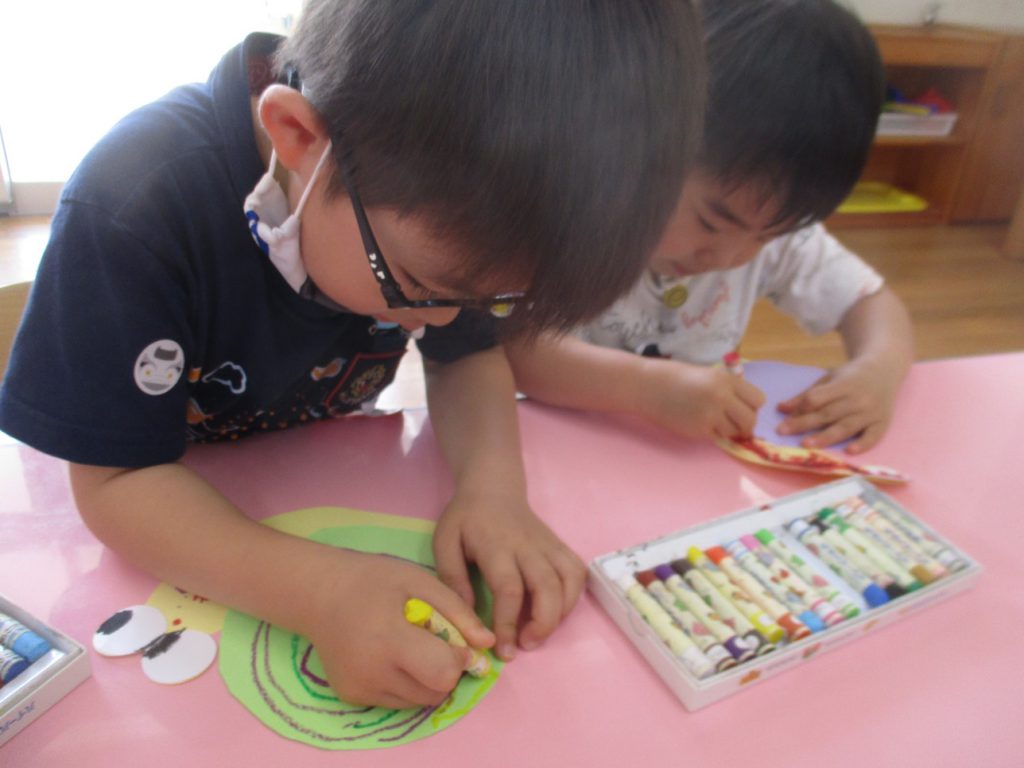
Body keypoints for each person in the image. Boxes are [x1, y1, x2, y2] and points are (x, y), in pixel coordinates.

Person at [0, 0, 705, 708]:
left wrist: (493, 491)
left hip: (314, 478)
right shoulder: (133, 204)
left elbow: (465, 358)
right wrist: (320, 591)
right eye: (419, 286)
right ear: (299, 135)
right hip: (164, 522)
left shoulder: (438, 205)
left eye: (488, 300)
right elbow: (117, 480)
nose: (443, 319)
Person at [508, 0, 913, 456]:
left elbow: (872, 304)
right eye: (711, 222)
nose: (728, 257)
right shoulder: (577, 214)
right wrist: (643, 388)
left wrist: (877, 371)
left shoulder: (760, 224)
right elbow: (512, 349)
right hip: (556, 451)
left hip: (678, 465)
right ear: (647, 142)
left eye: (767, 235)